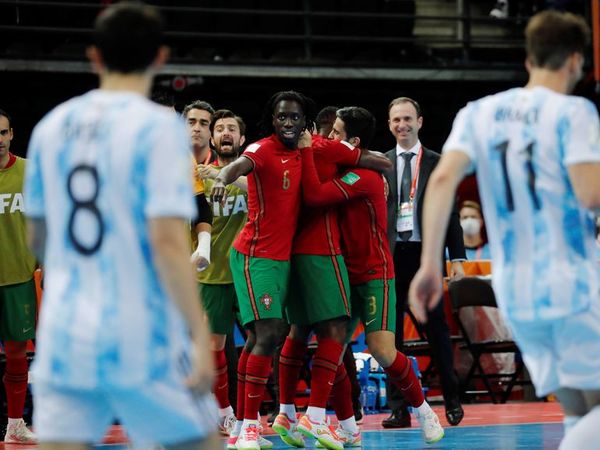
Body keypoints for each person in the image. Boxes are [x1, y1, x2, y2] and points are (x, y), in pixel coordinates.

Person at [23, 3, 220, 449]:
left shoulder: (52, 128)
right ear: (160, 58)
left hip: (67, 329)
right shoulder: (159, 129)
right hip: (140, 327)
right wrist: (196, 330)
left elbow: (39, 237)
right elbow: (169, 243)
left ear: (94, 56)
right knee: (201, 441)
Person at [409, 10, 600, 450]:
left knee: (579, 413)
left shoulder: (481, 113)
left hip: (516, 290)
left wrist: (427, 266)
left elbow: (440, 182)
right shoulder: (574, 112)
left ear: (528, 59)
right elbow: (590, 194)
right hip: (570, 281)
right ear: (575, 60)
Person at [300, 107, 445, 445]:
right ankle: (337, 423)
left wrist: (308, 148)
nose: (329, 137)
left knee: (382, 350)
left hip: (374, 274)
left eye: (336, 133)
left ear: (354, 142)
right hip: (343, 273)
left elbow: (317, 195)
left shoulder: (361, 176)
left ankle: (424, 410)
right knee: (331, 347)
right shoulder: (347, 166)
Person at [272, 107, 391, 450]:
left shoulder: (281, 149)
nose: (332, 137)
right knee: (335, 334)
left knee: (299, 333)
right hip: (321, 253)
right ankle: (316, 417)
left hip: (290, 252)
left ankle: (290, 413)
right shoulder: (324, 148)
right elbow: (384, 161)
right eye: (332, 131)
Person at [210, 91, 316, 450]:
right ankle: (251, 429)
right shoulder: (261, 149)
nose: (288, 123)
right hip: (254, 254)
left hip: (284, 259)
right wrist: (222, 179)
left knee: (259, 339)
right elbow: (236, 166)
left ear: (304, 122)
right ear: (273, 121)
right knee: (269, 335)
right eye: (282, 117)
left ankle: (241, 427)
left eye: (295, 117)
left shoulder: (306, 152)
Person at [384, 97, 466, 428]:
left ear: (419, 121)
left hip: (425, 256)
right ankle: (398, 408)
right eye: (395, 120)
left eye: (406, 119)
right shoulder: (382, 162)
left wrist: (456, 257)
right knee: (390, 338)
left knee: (438, 331)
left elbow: (452, 212)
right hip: (391, 257)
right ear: (389, 125)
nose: (401, 125)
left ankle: (452, 400)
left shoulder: (437, 162)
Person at [196, 109, 249, 438]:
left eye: (232, 128)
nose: (225, 133)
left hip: (249, 273)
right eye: (220, 129)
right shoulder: (198, 176)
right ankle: (225, 413)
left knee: (263, 342)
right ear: (213, 139)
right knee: (214, 346)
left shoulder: (254, 174)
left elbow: (267, 188)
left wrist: (227, 177)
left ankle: (256, 413)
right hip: (211, 276)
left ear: (242, 139)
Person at [0, 109, 37, 444]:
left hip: (19, 279)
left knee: (16, 355)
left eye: (2, 133)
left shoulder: (30, 172)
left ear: (11, 134)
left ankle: (15, 423)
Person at [183, 100, 215, 272]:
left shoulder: (228, 166)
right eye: (191, 122)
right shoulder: (173, 161)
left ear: (212, 131)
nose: (196, 128)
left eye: (204, 123)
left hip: (224, 265)